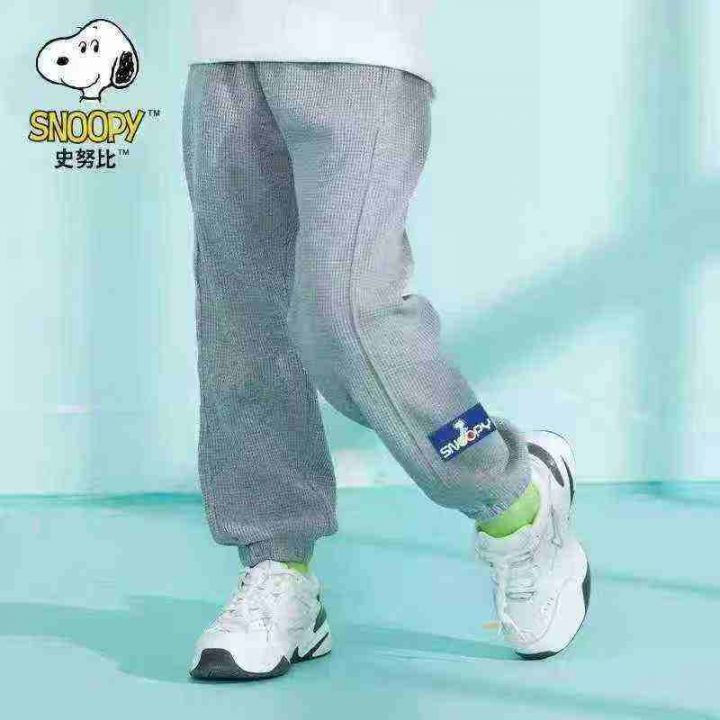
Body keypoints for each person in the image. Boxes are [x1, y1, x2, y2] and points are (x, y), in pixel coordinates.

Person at [183, 0, 591, 680]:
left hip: (359, 44)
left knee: (350, 317)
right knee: (242, 327)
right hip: (225, 50)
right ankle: (279, 569)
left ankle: (515, 501)